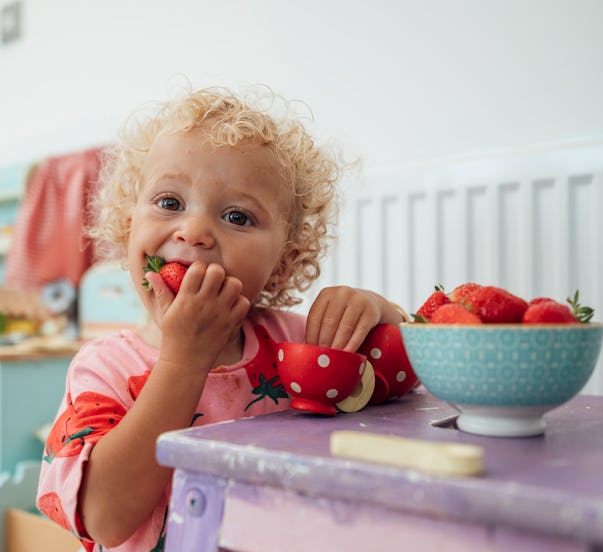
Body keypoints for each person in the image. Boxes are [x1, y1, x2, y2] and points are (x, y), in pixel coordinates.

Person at [36, 86, 407, 551]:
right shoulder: (104, 368)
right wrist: (183, 361)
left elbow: (399, 381)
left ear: (283, 263)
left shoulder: (296, 346)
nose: (194, 232)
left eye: (237, 216)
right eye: (169, 203)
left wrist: (378, 311)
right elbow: (104, 518)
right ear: (130, 230)